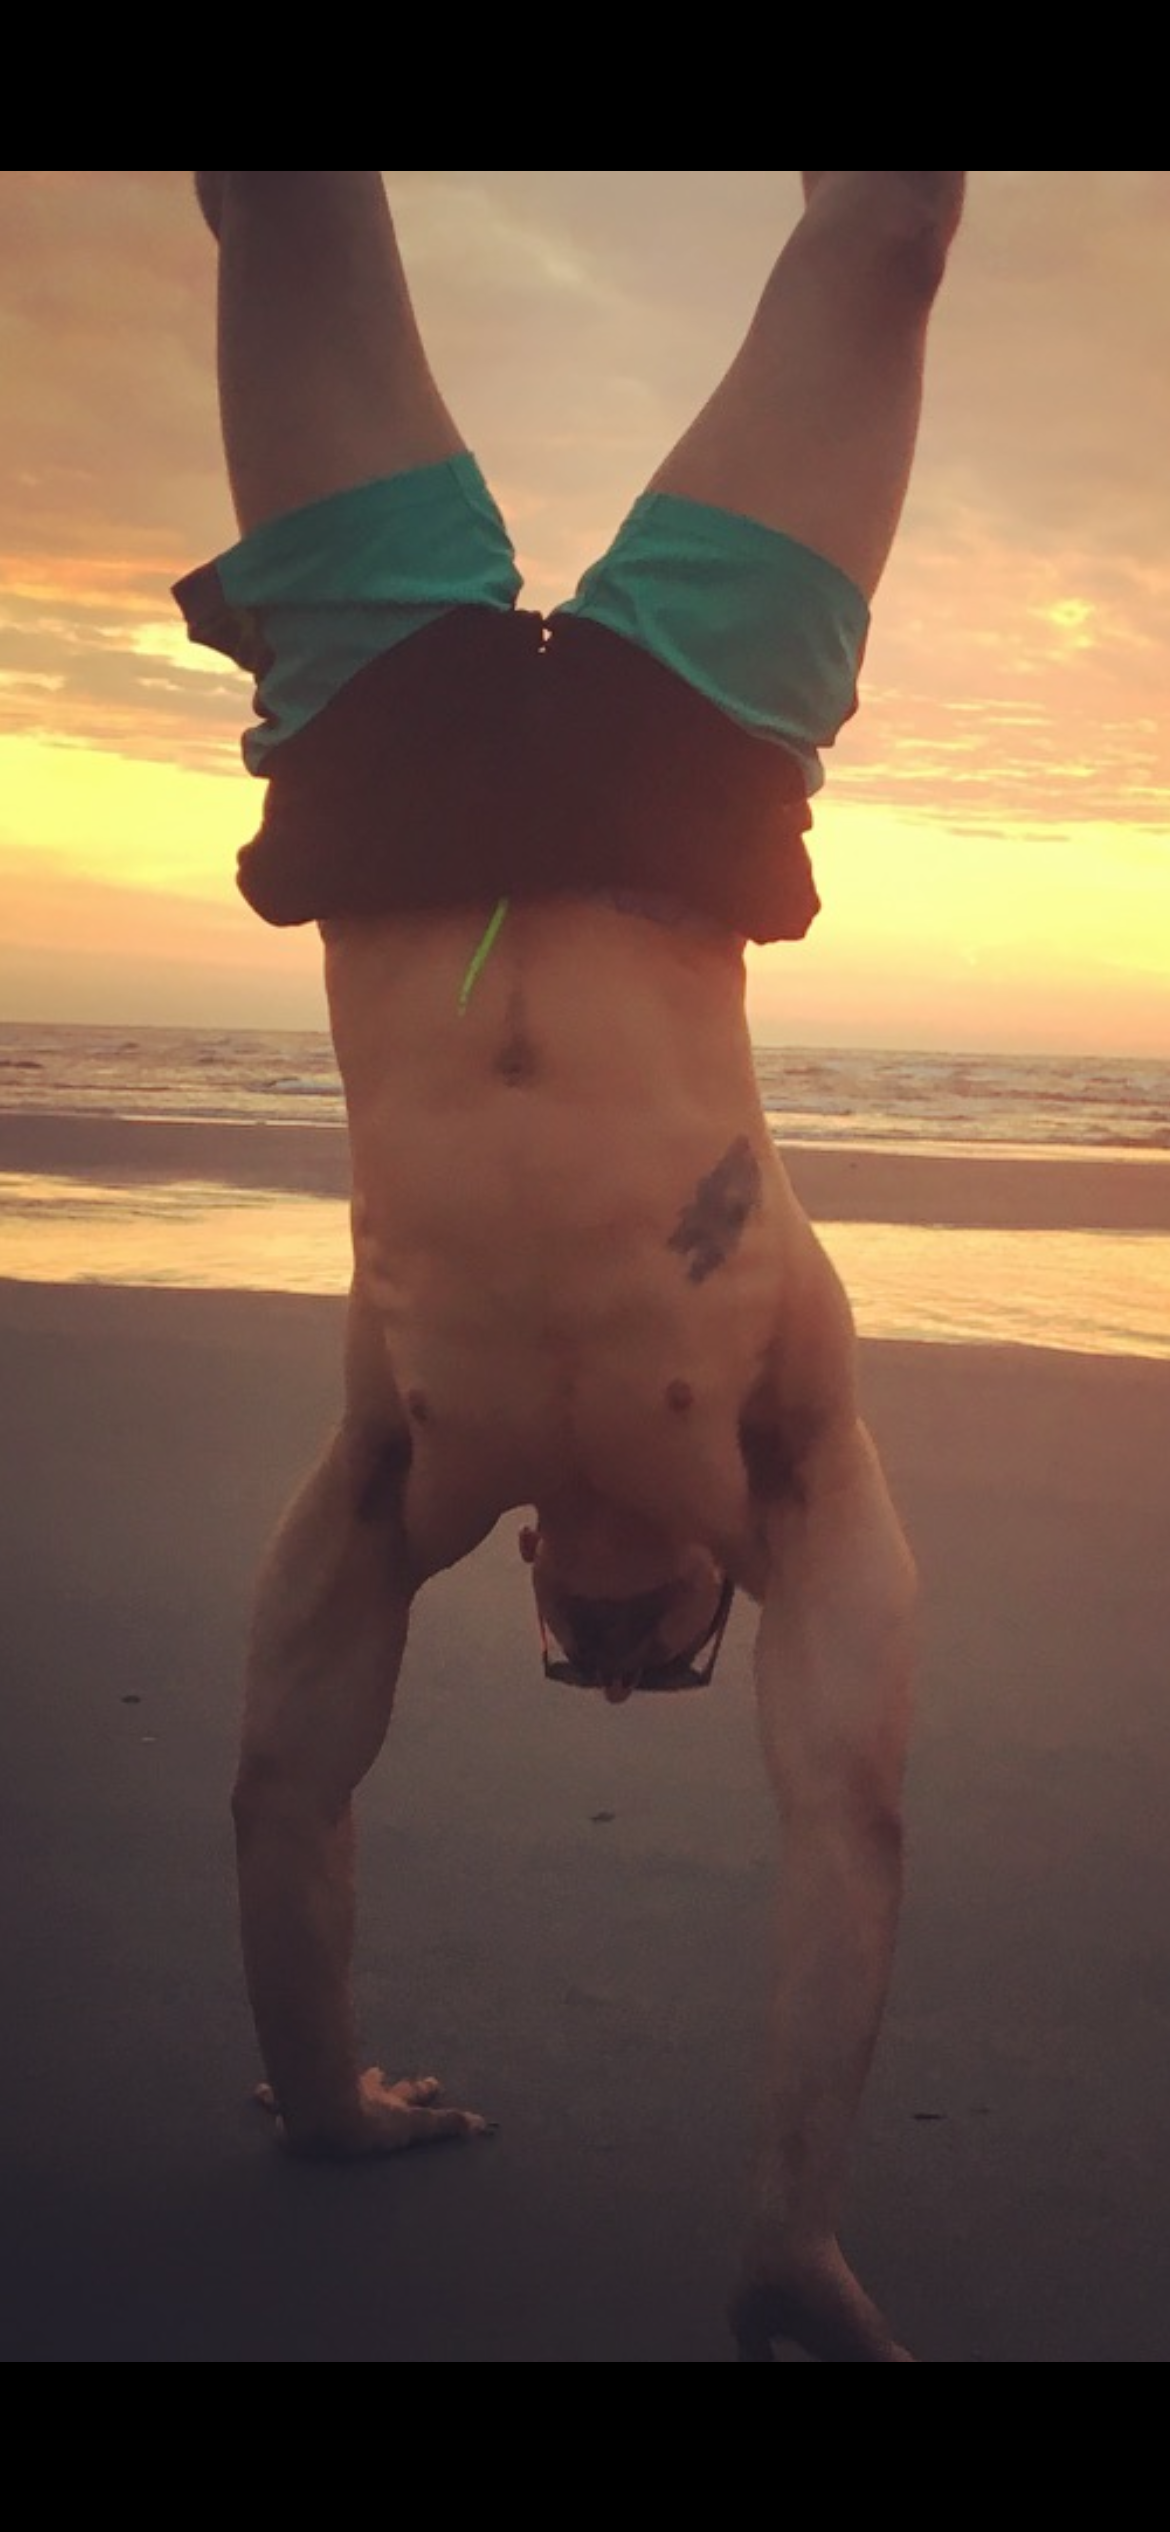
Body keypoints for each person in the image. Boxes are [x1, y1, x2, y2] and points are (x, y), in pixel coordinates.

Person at [178, 168, 966, 2364]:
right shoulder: (793, 1454)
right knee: (888, 240)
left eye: (576, 1657)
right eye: (662, 1660)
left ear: (522, 1573)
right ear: (721, 1586)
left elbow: (281, 1789)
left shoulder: (405, 1453)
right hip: (690, 760)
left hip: (382, 751)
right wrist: (794, 2226)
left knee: (287, 212)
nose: (617, 1659)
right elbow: (851, 1812)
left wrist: (324, 2106)